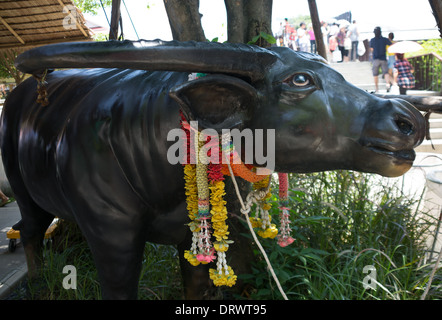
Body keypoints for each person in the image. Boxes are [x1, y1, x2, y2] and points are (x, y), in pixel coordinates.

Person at [369, 26, 392, 92]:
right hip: (383, 58)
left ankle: (377, 89)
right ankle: (387, 84)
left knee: (375, 74)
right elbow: (390, 44)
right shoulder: (384, 39)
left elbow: (371, 49)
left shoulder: (372, 40)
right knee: (386, 73)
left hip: (375, 59)